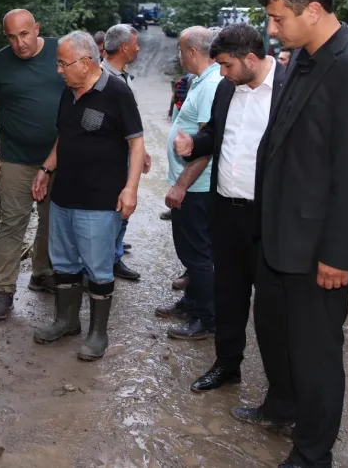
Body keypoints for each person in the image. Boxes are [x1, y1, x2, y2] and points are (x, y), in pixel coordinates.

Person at [234, 0, 348, 468]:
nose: (271, 29)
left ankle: (312, 453)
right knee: (274, 330)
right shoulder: (302, 58)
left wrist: (338, 254)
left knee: (316, 353)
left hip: (319, 244)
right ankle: (281, 403)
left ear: (315, 10)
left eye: (278, 19)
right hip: (279, 232)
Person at [173, 22, 287, 393]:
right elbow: (216, 134)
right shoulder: (226, 88)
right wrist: (195, 144)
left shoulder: (289, 90)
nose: (221, 73)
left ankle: (281, 389)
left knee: (273, 308)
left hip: (269, 216)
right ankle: (227, 365)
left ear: (250, 59)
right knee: (229, 294)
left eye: (227, 65)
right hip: (226, 210)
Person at [31, 31, 146, 361]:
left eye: (62, 64)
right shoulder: (69, 92)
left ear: (84, 63)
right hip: (64, 194)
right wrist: (46, 169)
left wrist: (131, 188)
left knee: (97, 267)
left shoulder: (117, 92)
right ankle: (66, 320)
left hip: (100, 199)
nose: (58, 70)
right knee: (64, 263)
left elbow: (136, 143)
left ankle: (98, 333)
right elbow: (63, 138)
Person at [0, 9, 62, 321]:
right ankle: (3, 290)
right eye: (12, 37)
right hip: (16, 158)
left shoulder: (59, 52)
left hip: (59, 157)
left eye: (24, 34)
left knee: (53, 220)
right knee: (12, 222)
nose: (19, 43)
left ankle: (43, 272)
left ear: (37, 28)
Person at [156, 27, 222, 339]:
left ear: (193, 52)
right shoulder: (201, 81)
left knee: (198, 255)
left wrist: (181, 184)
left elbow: (206, 145)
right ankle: (192, 302)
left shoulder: (211, 86)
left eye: (181, 50)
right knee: (191, 252)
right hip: (193, 186)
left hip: (197, 187)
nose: (178, 56)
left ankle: (207, 319)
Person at [101, 24, 149, 282]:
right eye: (136, 43)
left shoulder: (123, 76)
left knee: (123, 210)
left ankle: (114, 258)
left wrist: (141, 150)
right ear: (123, 47)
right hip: (108, 162)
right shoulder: (101, 78)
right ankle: (101, 266)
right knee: (110, 212)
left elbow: (130, 122)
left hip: (124, 156)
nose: (138, 47)